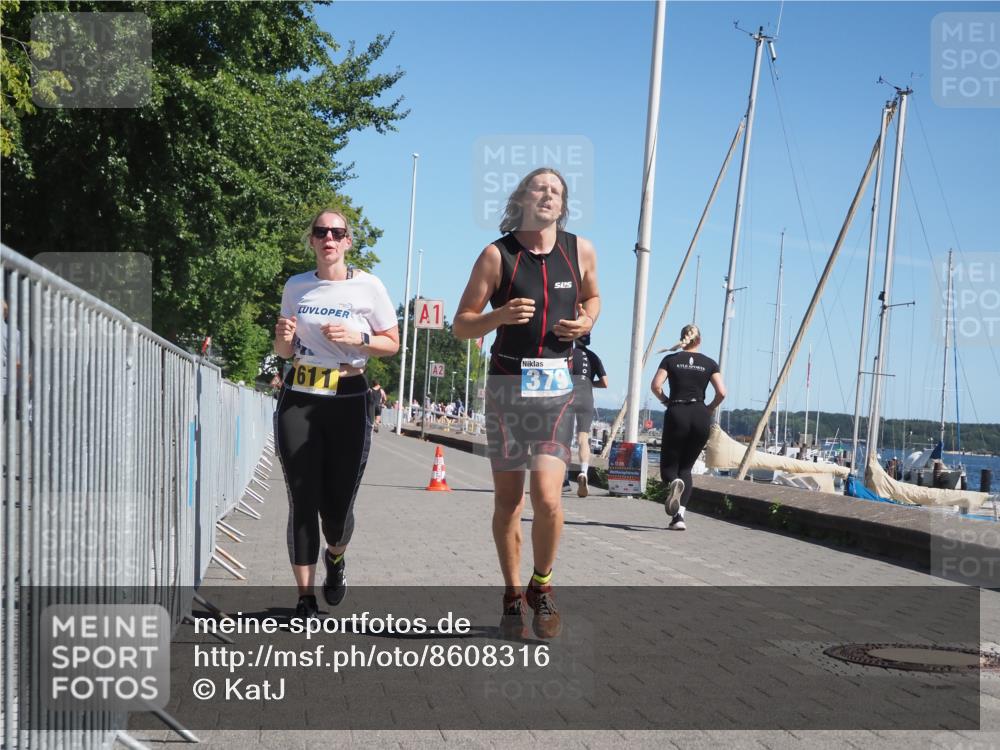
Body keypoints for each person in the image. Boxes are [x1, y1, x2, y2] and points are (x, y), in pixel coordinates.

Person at [454, 167, 600, 639]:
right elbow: (462, 324)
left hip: (556, 389)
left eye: (556, 191)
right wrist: (497, 315)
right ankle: (513, 594)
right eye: (540, 188)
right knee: (509, 503)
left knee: (549, 498)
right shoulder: (497, 256)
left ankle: (543, 583)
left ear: (563, 205)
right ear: (522, 199)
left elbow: (594, 296)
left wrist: (585, 322)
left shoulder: (579, 250)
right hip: (506, 389)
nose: (548, 196)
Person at [274, 210, 400, 618]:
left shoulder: (369, 286)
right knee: (302, 496)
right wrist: (283, 342)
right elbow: (285, 352)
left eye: (337, 233)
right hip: (301, 393)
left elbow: (392, 343)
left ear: (348, 242)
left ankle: (337, 556)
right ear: (311, 240)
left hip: (347, 395)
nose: (329, 238)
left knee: (338, 507)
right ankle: (305, 599)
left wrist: (359, 338)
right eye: (321, 232)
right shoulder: (296, 286)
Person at [650, 324, 726, 531]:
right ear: (699, 341)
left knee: (669, 470)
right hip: (701, 415)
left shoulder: (670, 360)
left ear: (682, 339)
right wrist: (709, 408)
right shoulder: (709, 363)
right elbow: (722, 392)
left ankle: (673, 483)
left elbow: (656, 386)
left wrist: (666, 401)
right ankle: (679, 517)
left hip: (677, 412)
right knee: (686, 468)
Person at [569, 335, 608, 497]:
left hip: (570, 395)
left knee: (562, 437)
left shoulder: (568, 353)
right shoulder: (594, 357)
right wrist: (589, 383)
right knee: (583, 439)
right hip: (587, 396)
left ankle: (562, 477)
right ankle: (584, 471)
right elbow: (605, 383)